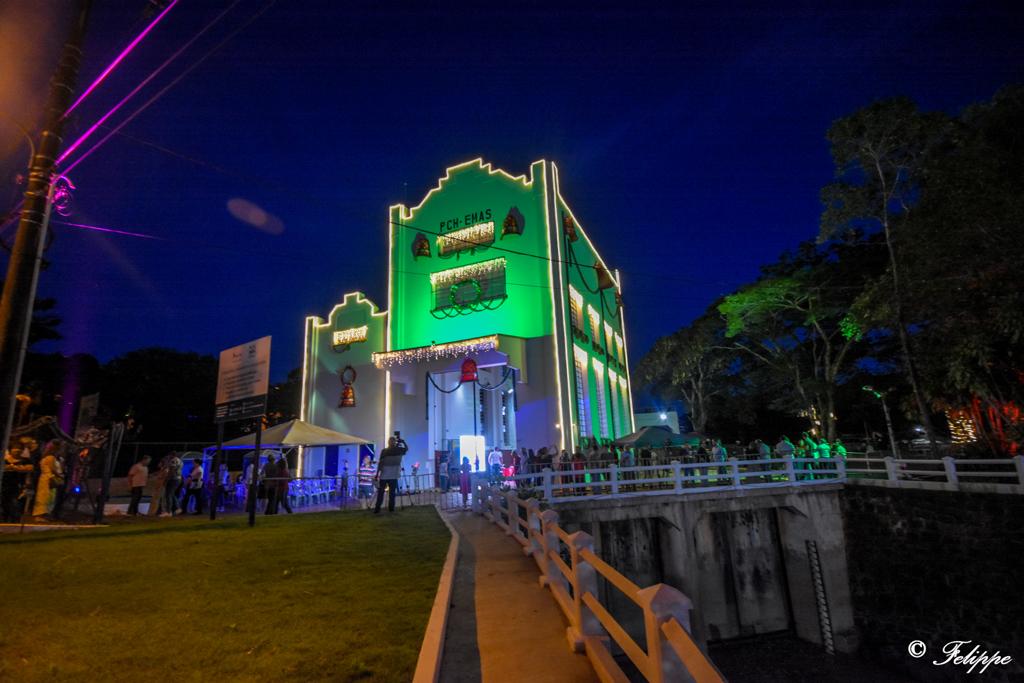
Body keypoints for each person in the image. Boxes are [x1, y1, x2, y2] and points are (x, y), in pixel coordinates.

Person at [2, 440, 33, 522]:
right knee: (4, 504)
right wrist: (13, 467)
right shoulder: (4, 459)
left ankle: (14, 522)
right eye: (15, 449)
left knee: (16, 505)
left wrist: (14, 468)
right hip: (4, 486)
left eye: (19, 449)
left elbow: (29, 469)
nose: (17, 451)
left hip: (18, 487)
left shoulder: (26, 460)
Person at [374, 435, 407, 513]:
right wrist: (403, 442)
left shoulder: (384, 451)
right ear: (394, 442)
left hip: (384, 475)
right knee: (392, 494)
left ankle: (377, 509)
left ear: (388, 442)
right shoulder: (398, 450)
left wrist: (377, 474)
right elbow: (406, 449)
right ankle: (391, 509)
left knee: (381, 493)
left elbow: (381, 463)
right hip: (394, 475)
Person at [32, 441, 64, 518]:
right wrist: (60, 476)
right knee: (48, 497)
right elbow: (52, 469)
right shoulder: (51, 457)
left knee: (41, 495)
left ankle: (39, 514)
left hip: (43, 477)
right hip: (49, 477)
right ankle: (42, 514)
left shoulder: (44, 457)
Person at [160, 452, 183, 517]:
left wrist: (166, 479)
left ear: (172, 455)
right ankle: (178, 508)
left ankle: (168, 511)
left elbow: (172, 470)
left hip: (173, 479)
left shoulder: (173, 460)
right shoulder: (180, 461)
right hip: (178, 478)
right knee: (171, 494)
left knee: (168, 495)